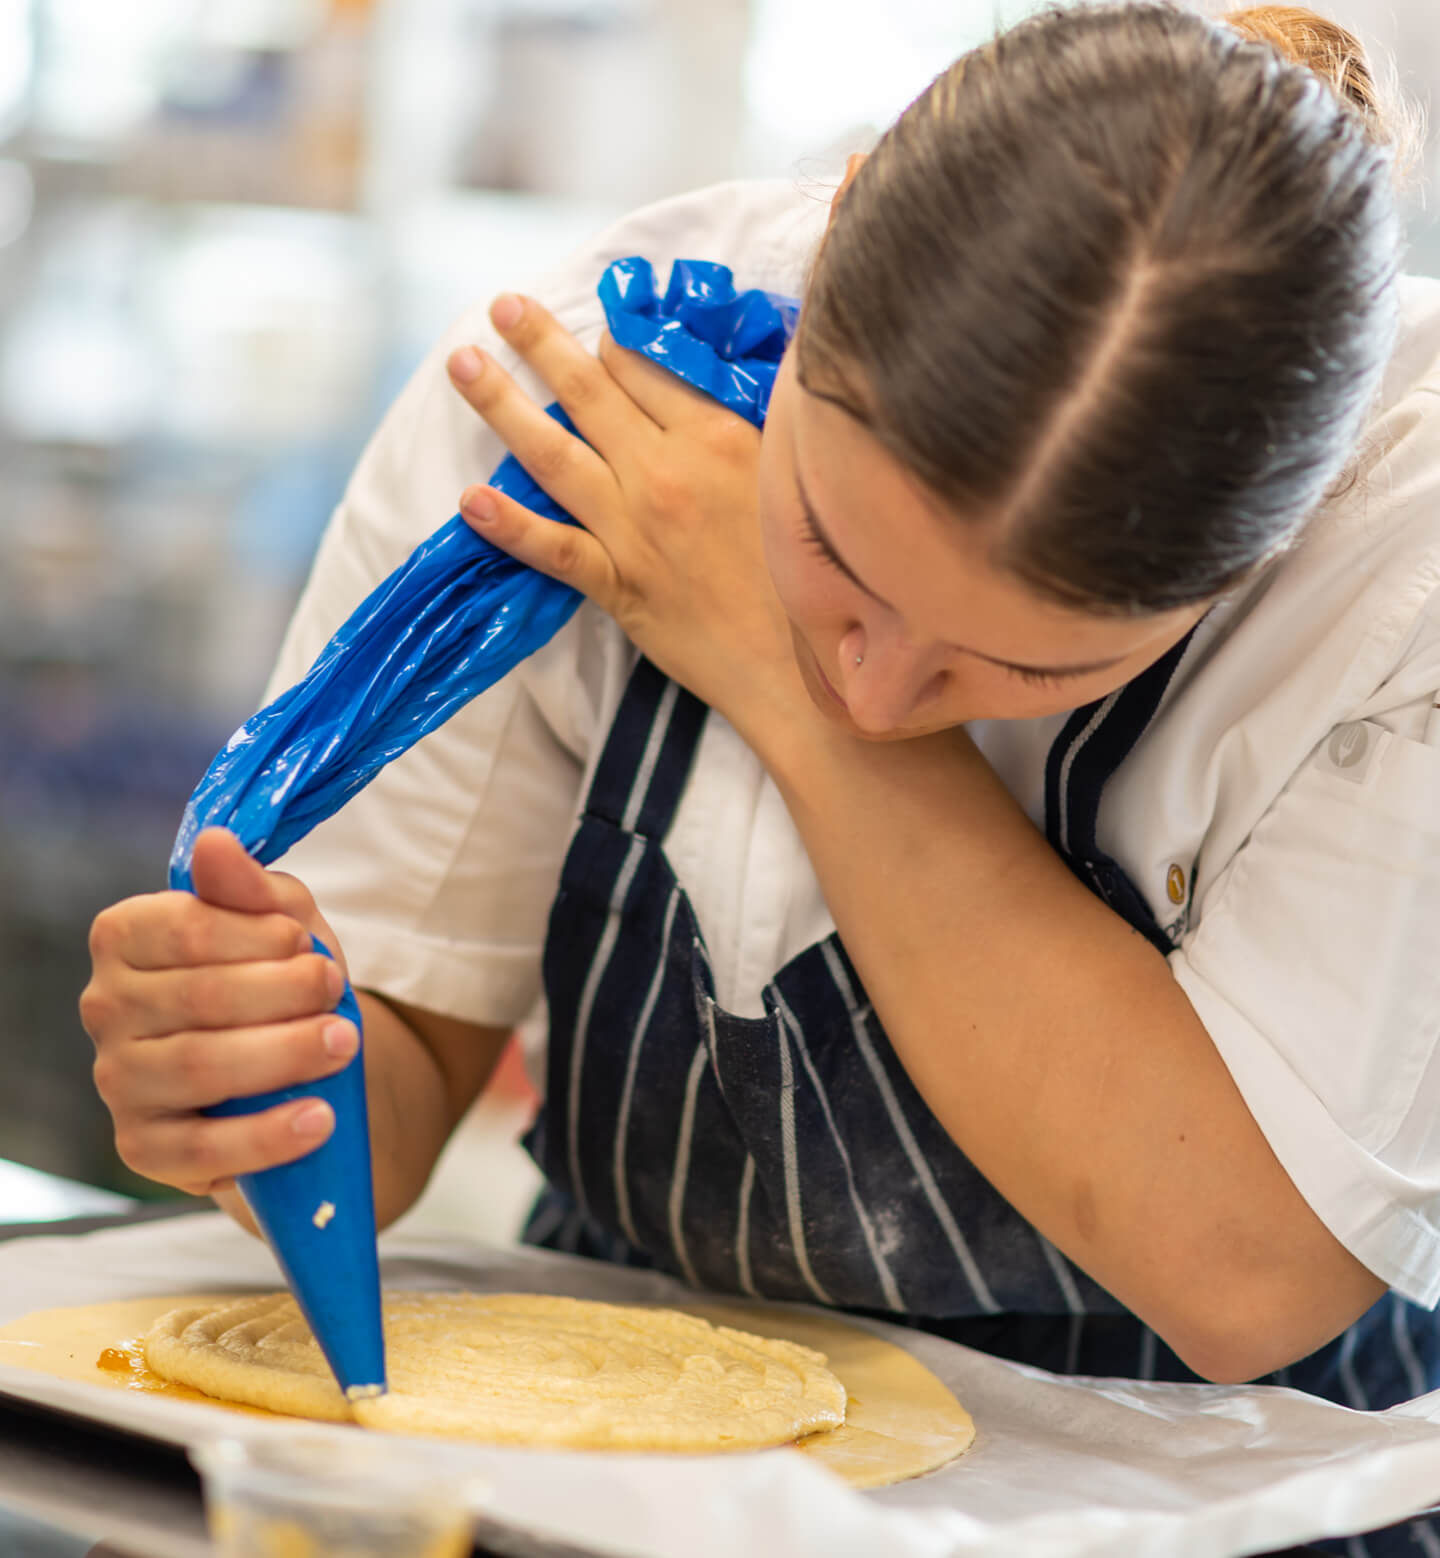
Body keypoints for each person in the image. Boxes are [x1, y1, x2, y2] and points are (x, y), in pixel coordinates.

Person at [82, 3, 1440, 1548]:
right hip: (597, 1484)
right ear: (844, 215)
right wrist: (245, 1065)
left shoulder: (1406, 562)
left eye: (1031, 667)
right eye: (834, 553)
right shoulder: (584, 405)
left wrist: (768, 661)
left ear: (1281, 535)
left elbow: (1242, 1265)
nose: (875, 685)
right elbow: (389, 1085)